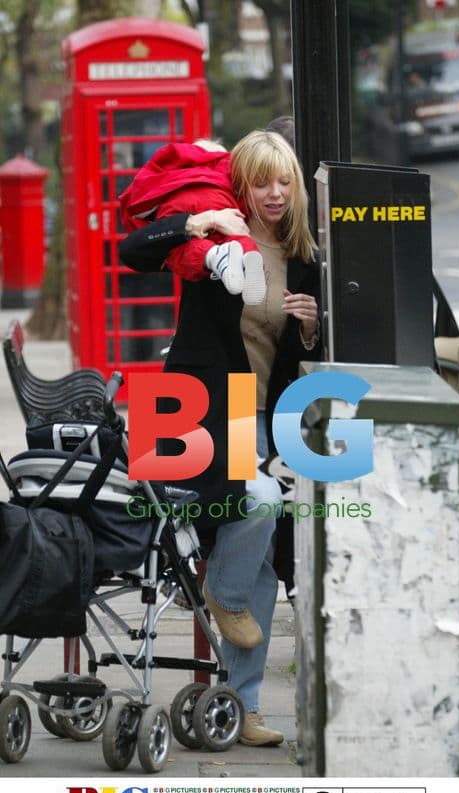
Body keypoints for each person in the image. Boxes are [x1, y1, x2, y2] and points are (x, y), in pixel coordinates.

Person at [120, 130, 321, 747]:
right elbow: (133, 248)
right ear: (241, 185)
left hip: (266, 414)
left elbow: (295, 360)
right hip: (196, 413)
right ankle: (217, 591)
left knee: (263, 555)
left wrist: (311, 332)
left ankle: (242, 708)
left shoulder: (304, 257)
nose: (276, 193)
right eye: (262, 181)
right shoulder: (215, 235)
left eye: (284, 181)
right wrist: (193, 222)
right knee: (259, 503)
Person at [119, 140, 266, 305]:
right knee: (237, 234)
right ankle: (248, 254)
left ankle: (214, 256)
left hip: (179, 204)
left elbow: (138, 199)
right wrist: (211, 218)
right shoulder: (227, 168)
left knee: (180, 249)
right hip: (223, 201)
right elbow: (129, 250)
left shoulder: (172, 166)